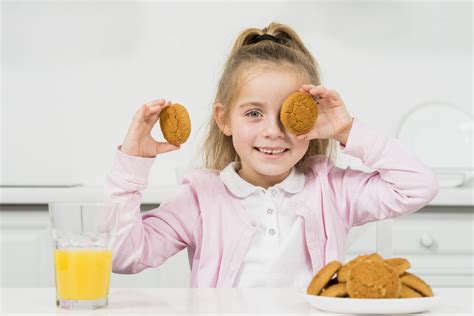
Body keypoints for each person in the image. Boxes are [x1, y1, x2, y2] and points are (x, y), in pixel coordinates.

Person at [104, 22, 439, 288]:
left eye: (286, 114)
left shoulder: (331, 190)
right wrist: (132, 165)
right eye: (253, 113)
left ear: (308, 117)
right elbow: (122, 257)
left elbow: (418, 186)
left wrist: (347, 130)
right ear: (224, 119)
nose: (274, 130)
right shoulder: (200, 198)